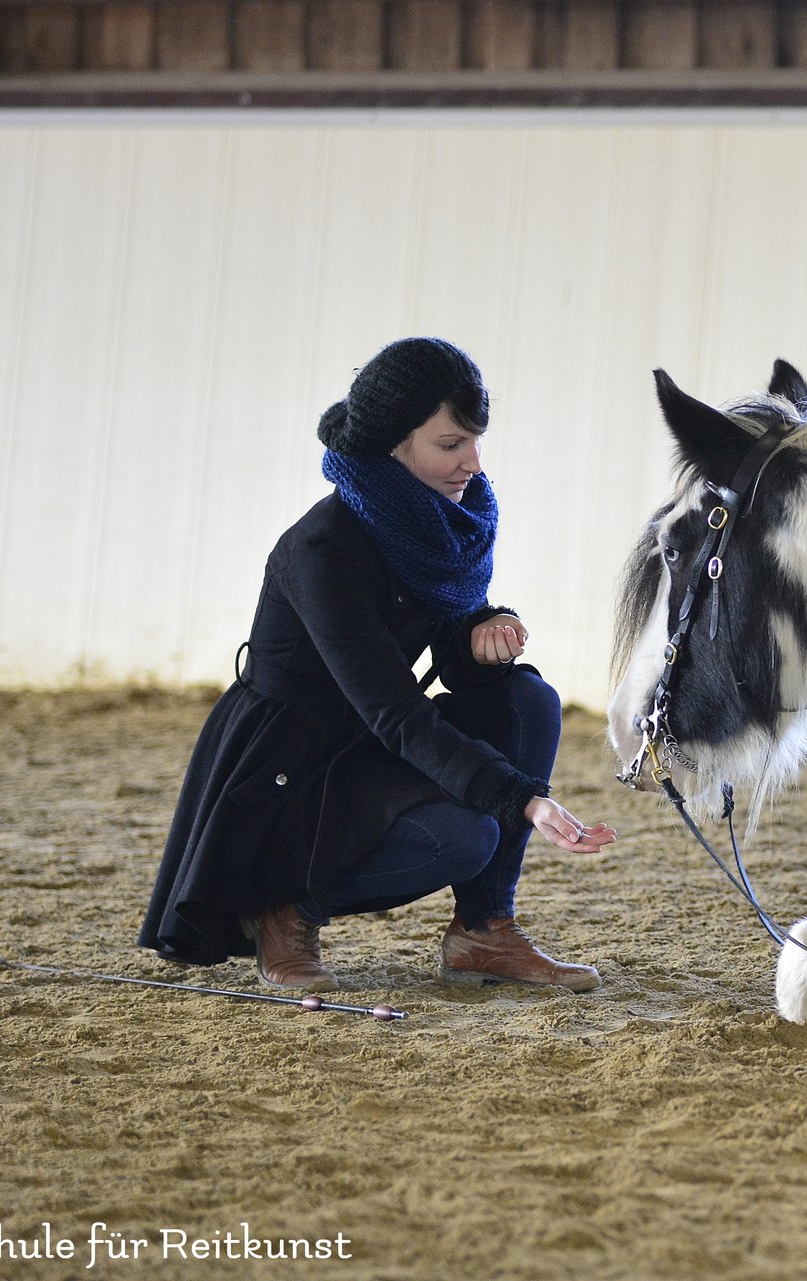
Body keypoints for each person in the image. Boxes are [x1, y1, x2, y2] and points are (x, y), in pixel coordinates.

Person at [139, 337, 616, 993]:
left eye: (476, 440)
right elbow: (397, 712)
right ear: (395, 444)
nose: (472, 463)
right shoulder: (321, 550)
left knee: (525, 700)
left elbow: (447, 652)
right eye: (451, 444)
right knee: (465, 836)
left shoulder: (443, 521)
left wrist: (479, 635)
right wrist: (523, 798)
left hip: (365, 745)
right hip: (288, 774)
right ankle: (283, 907)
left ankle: (484, 930)